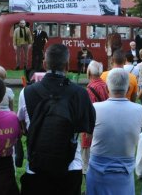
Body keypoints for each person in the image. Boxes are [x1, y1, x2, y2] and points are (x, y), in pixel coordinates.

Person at [17, 44, 96, 195]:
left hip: (36, 166)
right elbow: (89, 126)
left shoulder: (26, 92)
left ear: (44, 64)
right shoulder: (80, 93)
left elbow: (22, 124)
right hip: (70, 166)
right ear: (67, 66)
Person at [86, 68, 142, 194]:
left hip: (98, 172)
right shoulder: (139, 109)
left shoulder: (95, 108)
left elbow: (88, 136)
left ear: (107, 89)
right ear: (128, 89)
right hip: (124, 173)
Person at [81, 61, 109, 175]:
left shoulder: (90, 88)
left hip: (92, 130)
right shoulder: (105, 84)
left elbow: (90, 113)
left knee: (87, 162)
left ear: (88, 72)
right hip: (104, 126)